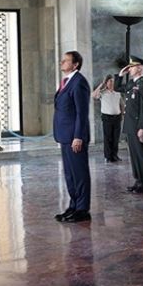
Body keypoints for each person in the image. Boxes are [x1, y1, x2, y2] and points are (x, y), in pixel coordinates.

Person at [53, 51, 92, 223]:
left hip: (75, 137)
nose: (62, 62)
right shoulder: (66, 81)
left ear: (75, 64)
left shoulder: (79, 83)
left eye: (66, 60)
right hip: (65, 136)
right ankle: (74, 205)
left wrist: (78, 136)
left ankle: (83, 209)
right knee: (70, 175)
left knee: (80, 173)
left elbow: (81, 114)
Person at [116, 56, 143, 193]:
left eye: (132, 67)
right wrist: (121, 74)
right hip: (130, 125)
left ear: (139, 68)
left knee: (141, 154)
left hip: (138, 126)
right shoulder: (132, 83)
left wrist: (142, 127)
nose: (129, 69)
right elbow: (118, 87)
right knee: (134, 154)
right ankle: (138, 180)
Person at [92, 75, 124, 163]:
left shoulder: (117, 93)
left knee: (116, 138)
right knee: (108, 138)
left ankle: (115, 155)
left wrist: (122, 115)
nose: (111, 83)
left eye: (112, 81)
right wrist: (101, 84)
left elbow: (121, 104)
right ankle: (108, 156)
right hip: (107, 118)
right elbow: (93, 95)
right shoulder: (102, 93)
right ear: (106, 83)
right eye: (109, 81)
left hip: (117, 118)